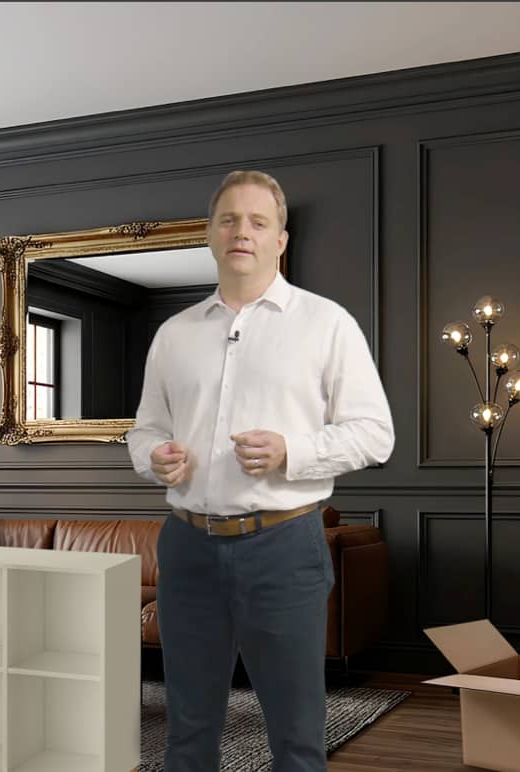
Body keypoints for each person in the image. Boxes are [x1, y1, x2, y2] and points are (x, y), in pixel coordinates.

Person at [125, 170, 394, 772]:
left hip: (284, 546)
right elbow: (142, 430)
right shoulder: (173, 335)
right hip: (188, 548)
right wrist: (153, 456)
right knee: (187, 734)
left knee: (296, 738)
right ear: (210, 235)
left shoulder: (327, 324)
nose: (241, 231)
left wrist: (291, 452)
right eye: (228, 219)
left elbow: (377, 435)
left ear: (280, 239)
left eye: (257, 221)